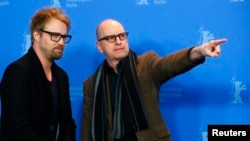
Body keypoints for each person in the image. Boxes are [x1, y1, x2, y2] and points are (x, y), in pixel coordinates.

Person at [81, 18, 227, 141]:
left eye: (122, 35)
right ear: (100, 46)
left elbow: (171, 64)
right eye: (111, 38)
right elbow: (88, 128)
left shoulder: (146, 64)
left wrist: (199, 51)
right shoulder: (91, 84)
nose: (118, 41)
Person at [0, 7, 76, 141]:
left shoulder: (61, 76)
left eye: (64, 37)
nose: (61, 42)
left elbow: (67, 123)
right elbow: (16, 127)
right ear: (36, 35)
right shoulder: (17, 71)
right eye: (55, 35)